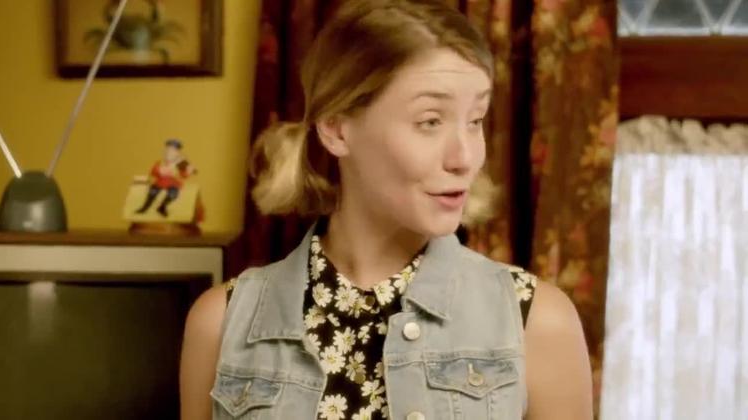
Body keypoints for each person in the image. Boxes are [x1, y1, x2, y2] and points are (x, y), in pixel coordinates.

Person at [180, 1, 592, 419]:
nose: (465, 158)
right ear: (336, 128)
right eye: (430, 121)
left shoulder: (538, 323)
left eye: (475, 120)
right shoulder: (221, 323)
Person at [135, 138, 196, 217]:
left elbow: (183, 175)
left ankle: (162, 207)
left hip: (173, 183)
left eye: (172, 150)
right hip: (160, 182)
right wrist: (159, 170)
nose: (169, 152)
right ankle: (145, 207)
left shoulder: (181, 163)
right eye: (168, 150)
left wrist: (188, 171)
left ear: (177, 152)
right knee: (152, 191)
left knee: (173, 194)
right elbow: (153, 172)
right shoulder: (161, 162)